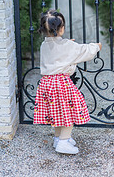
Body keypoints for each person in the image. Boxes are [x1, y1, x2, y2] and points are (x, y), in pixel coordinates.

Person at [33, 9, 102, 154]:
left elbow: (59, 50)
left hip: (46, 84)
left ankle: (58, 138)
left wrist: (65, 43)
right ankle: (64, 142)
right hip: (61, 84)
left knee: (56, 112)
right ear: (61, 29)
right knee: (68, 112)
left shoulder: (44, 45)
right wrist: (96, 46)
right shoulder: (67, 46)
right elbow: (84, 51)